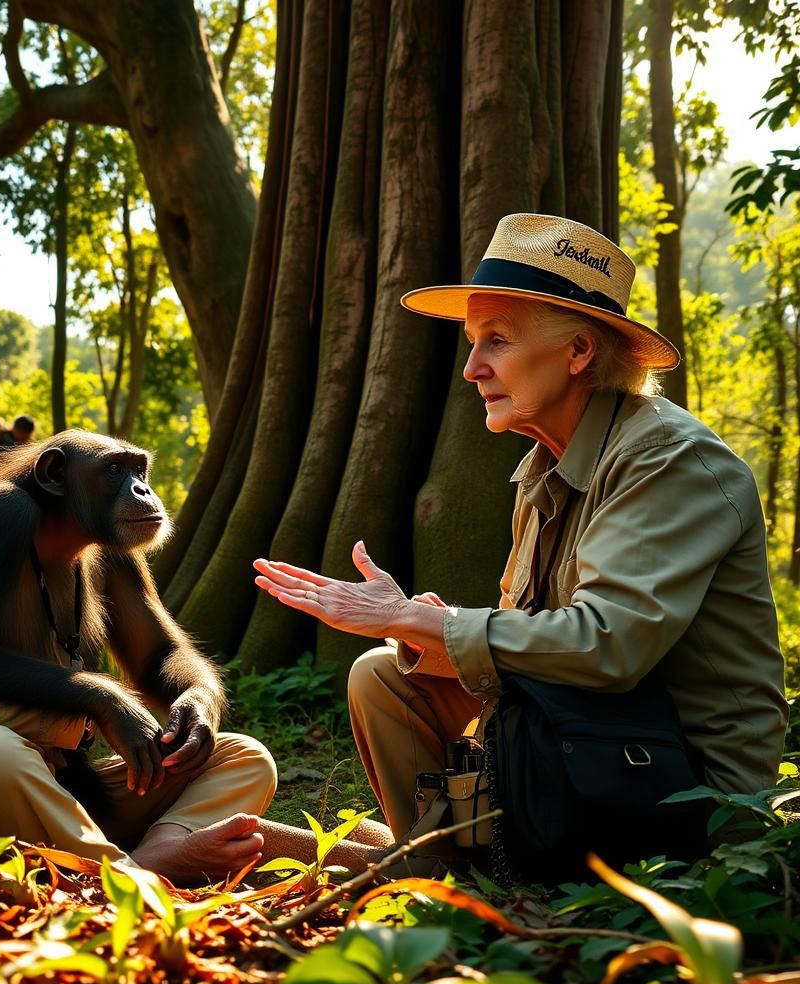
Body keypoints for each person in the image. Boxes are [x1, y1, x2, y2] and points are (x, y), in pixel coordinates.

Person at [254, 212, 789, 861]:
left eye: (498, 341)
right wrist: (418, 629)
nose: (472, 368)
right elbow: (525, 661)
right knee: (385, 676)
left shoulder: (668, 462)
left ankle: (440, 878)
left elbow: (607, 648)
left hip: (688, 792)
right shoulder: (543, 470)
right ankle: (444, 870)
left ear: (578, 352)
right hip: (587, 741)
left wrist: (440, 623)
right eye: (472, 342)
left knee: (407, 682)